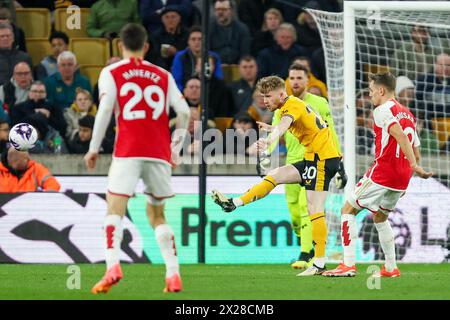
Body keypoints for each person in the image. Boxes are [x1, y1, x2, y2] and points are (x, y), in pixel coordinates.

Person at [84, 23, 190, 294]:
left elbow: (106, 108)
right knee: (156, 214)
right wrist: (175, 150)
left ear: (121, 45)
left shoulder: (112, 72)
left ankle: (112, 267)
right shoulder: (162, 74)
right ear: (146, 46)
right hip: (158, 153)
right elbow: (185, 112)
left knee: (115, 209)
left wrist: (94, 148)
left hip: (128, 151)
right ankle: (173, 274)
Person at [211, 75, 341, 276]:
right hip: (314, 157)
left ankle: (319, 262)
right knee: (275, 175)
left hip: (322, 158)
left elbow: (284, 126)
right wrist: (273, 129)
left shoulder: (290, 107)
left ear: (281, 94)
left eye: (268, 96)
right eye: (262, 96)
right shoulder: (291, 106)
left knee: (314, 208)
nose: (265, 101)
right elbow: (297, 126)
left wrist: (270, 137)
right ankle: (234, 203)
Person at [323, 72, 432, 278]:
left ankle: (347, 265)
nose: (371, 95)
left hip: (383, 172)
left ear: (381, 91)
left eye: (372, 91)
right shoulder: (408, 113)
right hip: (402, 177)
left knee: (347, 210)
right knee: (380, 216)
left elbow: (398, 134)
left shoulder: (382, 110)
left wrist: (414, 164)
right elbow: (415, 146)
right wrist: (413, 168)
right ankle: (391, 268)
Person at [265, 63, 342, 269]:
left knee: (306, 206)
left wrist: (339, 160)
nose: (296, 82)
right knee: (294, 213)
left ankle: (307, 253)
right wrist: (265, 154)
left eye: (300, 78)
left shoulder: (320, 102)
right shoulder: (283, 105)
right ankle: (304, 239)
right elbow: (275, 131)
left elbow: (330, 131)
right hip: (292, 163)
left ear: (308, 80)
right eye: (292, 78)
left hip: (314, 160)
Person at [171, 26, 223, 91]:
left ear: (205, 41)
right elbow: (176, 81)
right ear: (188, 42)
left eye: (200, 39)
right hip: (186, 94)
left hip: (209, 94)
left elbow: (219, 78)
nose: (197, 42)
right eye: (193, 39)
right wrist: (184, 92)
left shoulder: (214, 57)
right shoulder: (180, 56)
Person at [209, 0, 251, 65]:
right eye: (217, 9)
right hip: (215, 68)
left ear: (231, 11)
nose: (220, 12)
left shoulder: (242, 29)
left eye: (223, 9)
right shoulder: (209, 29)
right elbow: (208, 53)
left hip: (237, 67)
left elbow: (245, 54)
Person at [150, 6, 189, 70]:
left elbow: (189, 55)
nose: (170, 20)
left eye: (173, 17)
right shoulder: (156, 36)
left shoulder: (187, 34)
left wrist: (176, 53)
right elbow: (154, 56)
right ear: (162, 19)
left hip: (183, 68)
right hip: (162, 69)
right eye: (167, 17)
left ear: (179, 18)